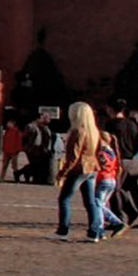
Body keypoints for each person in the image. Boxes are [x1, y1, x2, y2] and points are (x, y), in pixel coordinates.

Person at [53, 101, 104, 242]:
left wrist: (62, 172)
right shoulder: (94, 131)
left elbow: (73, 156)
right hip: (92, 167)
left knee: (64, 199)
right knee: (90, 201)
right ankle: (94, 232)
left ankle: (63, 230)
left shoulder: (77, 131)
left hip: (79, 168)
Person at [104, 101, 138, 228]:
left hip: (118, 160)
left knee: (116, 189)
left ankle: (120, 217)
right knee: (133, 189)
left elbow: (108, 142)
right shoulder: (132, 124)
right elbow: (137, 143)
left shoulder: (111, 124)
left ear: (110, 109)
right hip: (131, 159)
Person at [22, 112, 54, 185]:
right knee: (34, 164)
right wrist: (26, 147)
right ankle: (29, 175)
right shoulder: (30, 126)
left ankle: (30, 176)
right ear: (37, 119)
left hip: (37, 149)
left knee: (35, 164)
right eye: (41, 118)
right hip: (31, 148)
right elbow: (25, 138)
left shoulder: (40, 126)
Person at [0, 115, 24, 182]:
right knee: (4, 165)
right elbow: (4, 140)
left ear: (12, 123)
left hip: (14, 151)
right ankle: (2, 178)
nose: (7, 124)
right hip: (7, 151)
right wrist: (3, 149)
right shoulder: (7, 131)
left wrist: (18, 150)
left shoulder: (17, 132)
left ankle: (16, 178)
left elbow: (19, 142)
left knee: (14, 166)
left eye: (9, 123)